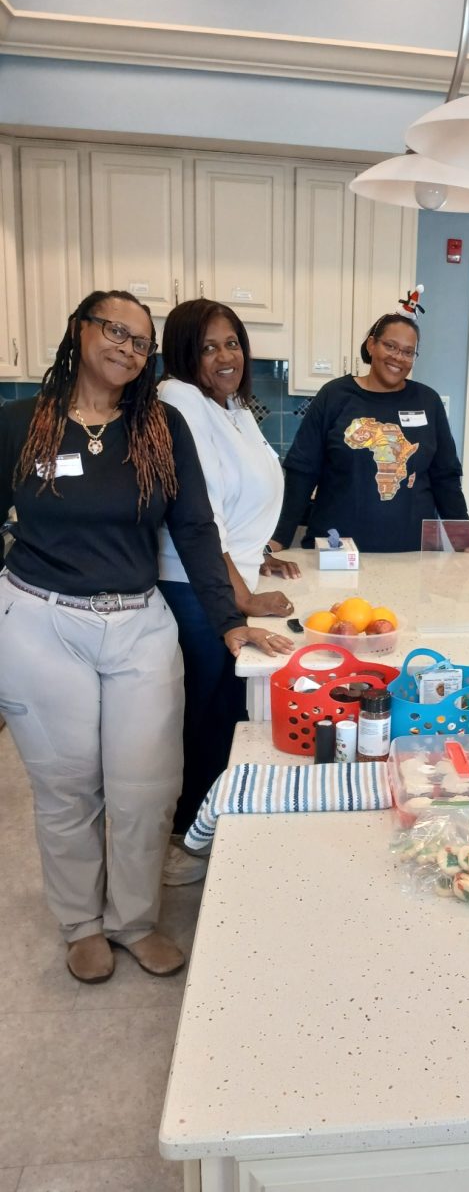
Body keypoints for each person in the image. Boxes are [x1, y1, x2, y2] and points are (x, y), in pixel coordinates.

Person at [0, 290, 292, 985]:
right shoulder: (21, 423)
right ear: (80, 330)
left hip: (138, 620)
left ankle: (133, 920)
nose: (127, 348)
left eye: (140, 341)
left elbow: (195, 527)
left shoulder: (159, 427)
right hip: (40, 620)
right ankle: (81, 923)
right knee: (68, 787)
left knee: (146, 786)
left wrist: (228, 619)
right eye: (114, 331)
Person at [157, 299, 301, 886]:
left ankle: (215, 823)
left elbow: (242, 499)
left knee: (224, 712)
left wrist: (260, 553)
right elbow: (201, 518)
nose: (225, 356)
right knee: (206, 717)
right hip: (195, 589)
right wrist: (242, 598)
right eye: (209, 346)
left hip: (225, 575)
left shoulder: (231, 405)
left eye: (233, 343)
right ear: (184, 353)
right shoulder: (180, 401)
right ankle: (184, 840)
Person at [272, 295, 469, 553]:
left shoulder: (428, 401)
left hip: (414, 555)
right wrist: (280, 537)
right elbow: (302, 473)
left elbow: (445, 480)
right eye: (391, 346)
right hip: (337, 553)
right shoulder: (334, 396)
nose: (398, 357)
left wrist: (467, 542)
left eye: (408, 352)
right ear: (371, 345)